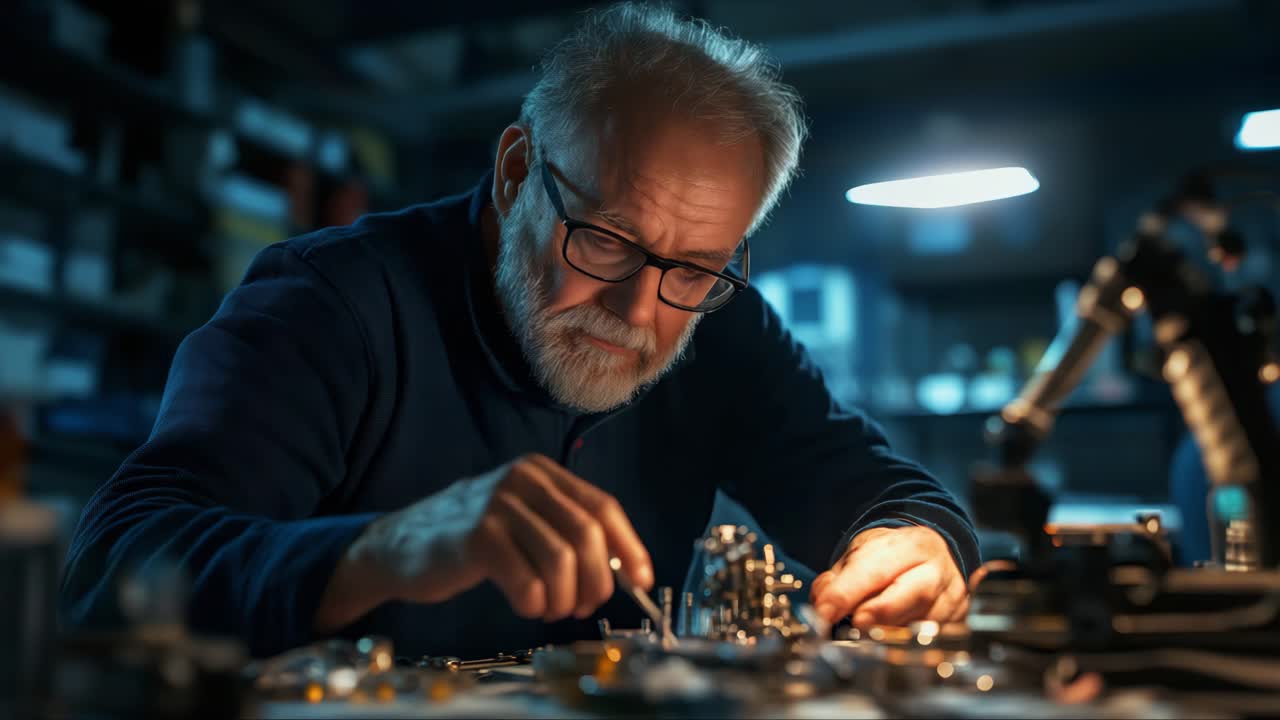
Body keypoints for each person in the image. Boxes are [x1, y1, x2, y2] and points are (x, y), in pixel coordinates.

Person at [60, 3, 978, 660]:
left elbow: (885, 491)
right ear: (513, 171)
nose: (639, 312)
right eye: (609, 240)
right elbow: (114, 569)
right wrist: (381, 550)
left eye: (694, 269)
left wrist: (916, 540)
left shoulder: (718, 320)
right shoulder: (325, 305)